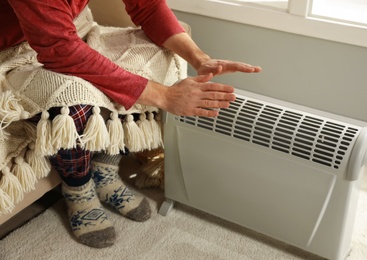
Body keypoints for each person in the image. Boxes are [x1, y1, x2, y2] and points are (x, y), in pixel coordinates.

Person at [0, 0, 261, 248]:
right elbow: (60, 50)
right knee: (72, 102)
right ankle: (78, 191)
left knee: (163, 56)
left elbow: (148, 7)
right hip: (15, 53)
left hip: (74, 29)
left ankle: (105, 170)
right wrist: (165, 96)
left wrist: (200, 59)